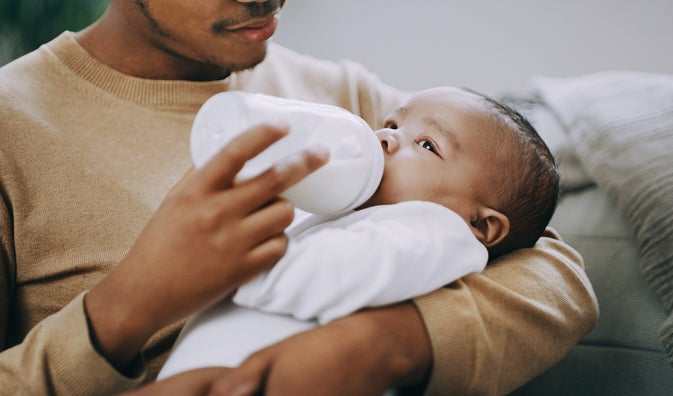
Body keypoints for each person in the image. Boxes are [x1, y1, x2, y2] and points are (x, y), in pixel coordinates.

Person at [0, 1, 598, 395]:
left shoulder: (340, 93)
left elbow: (549, 265)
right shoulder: (12, 128)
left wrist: (384, 344)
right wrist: (127, 306)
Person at [157, 85, 562, 380]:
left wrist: (223, 263)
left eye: (425, 145)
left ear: (480, 225)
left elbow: (328, 273)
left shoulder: (438, 231)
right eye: (392, 123)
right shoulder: (344, 206)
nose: (385, 137)